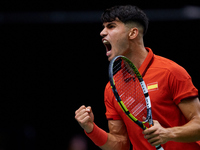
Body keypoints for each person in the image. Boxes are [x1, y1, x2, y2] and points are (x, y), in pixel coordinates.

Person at [75, 5, 200, 150]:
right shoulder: (112, 88)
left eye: (111, 26)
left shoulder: (170, 72)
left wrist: (168, 133)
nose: (102, 32)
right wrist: (91, 129)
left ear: (133, 33)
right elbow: (121, 144)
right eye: (103, 27)